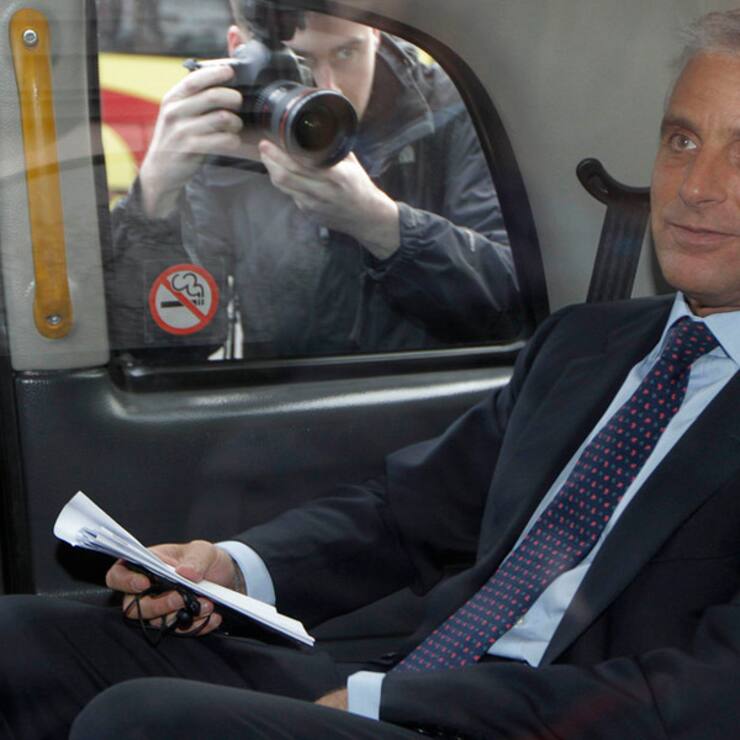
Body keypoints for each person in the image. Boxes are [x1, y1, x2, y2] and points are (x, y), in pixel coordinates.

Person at [0, 8, 738, 739]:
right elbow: (406, 511)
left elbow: (701, 698)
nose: (695, 186)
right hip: (407, 677)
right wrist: (232, 569)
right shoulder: (585, 345)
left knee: (141, 721)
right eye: (682, 141)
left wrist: (390, 704)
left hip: (525, 719)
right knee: (22, 644)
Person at [106, 2, 522, 358]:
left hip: (436, 406)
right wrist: (153, 199)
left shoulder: (451, 110)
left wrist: (381, 224)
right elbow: (172, 345)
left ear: (376, 34)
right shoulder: (227, 134)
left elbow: (516, 308)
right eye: (298, 64)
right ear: (238, 50)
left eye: (346, 53)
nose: (328, 88)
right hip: (287, 410)